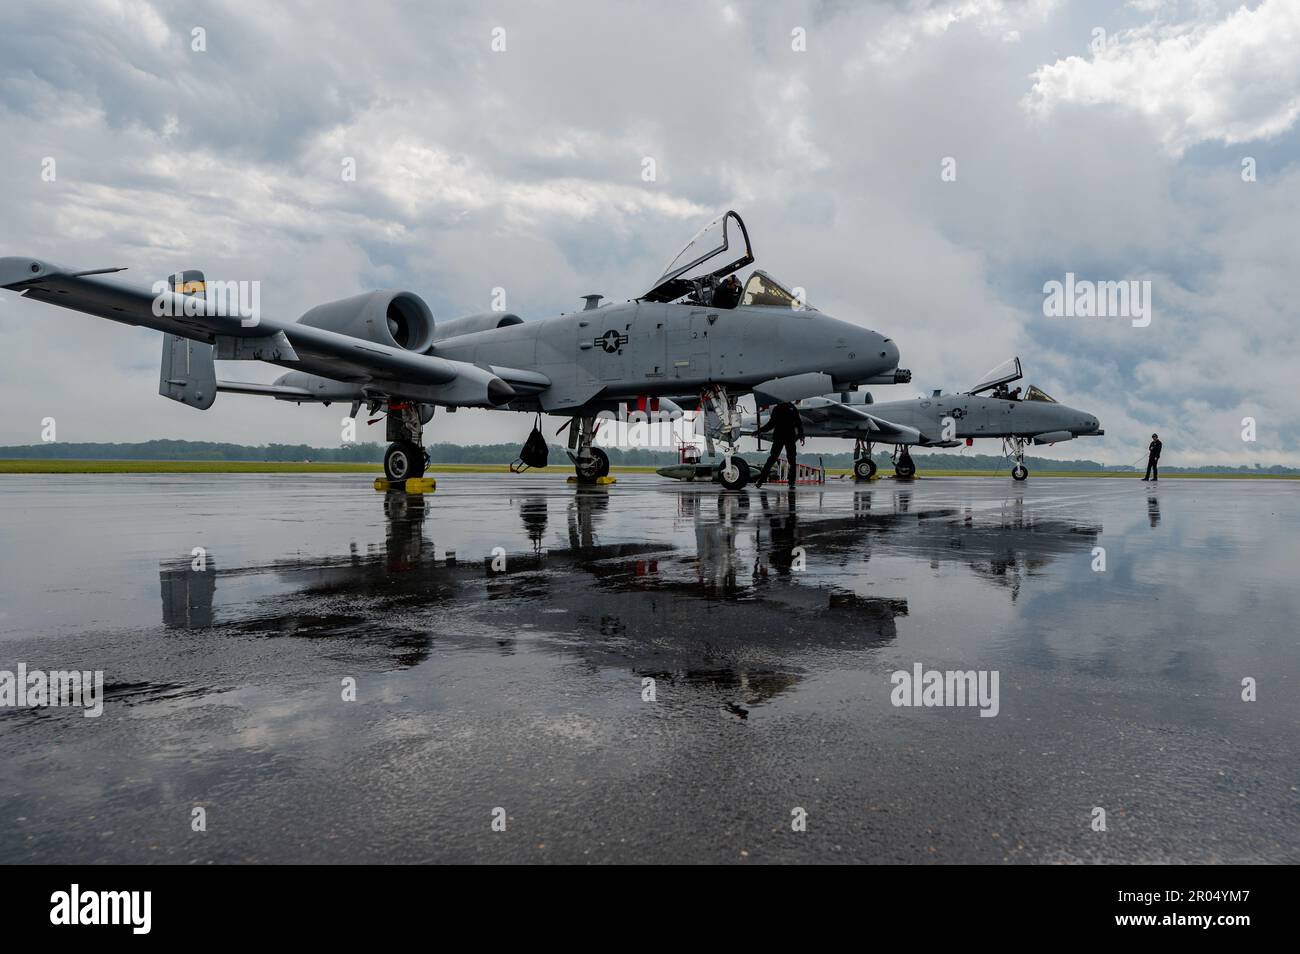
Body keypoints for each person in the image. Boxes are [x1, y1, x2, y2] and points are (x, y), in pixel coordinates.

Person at [754, 401, 805, 489]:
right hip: (789, 437)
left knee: (772, 459)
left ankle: (761, 480)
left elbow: (771, 424)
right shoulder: (792, 408)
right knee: (792, 461)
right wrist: (801, 436)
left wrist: (759, 431)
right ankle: (791, 482)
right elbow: (798, 423)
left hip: (779, 437)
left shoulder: (777, 408)